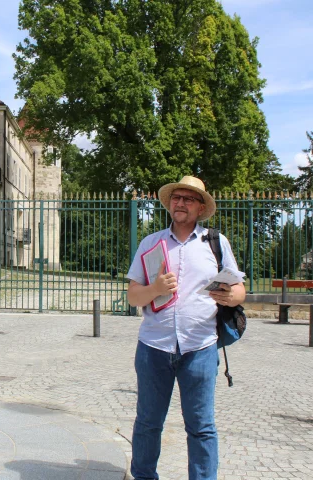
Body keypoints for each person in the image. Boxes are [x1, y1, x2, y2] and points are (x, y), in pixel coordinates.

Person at [126, 176, 246, 480]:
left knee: (202, 427)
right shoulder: (150, 243)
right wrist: (154, 288)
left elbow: (240, 290)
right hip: (154, 347)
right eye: (176, 198)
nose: (180, 203)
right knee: (148, 423)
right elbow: (132, 296)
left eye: (188, 198)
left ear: (201, 206)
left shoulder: (216, 243)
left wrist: (231, 296)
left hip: (200, 348)